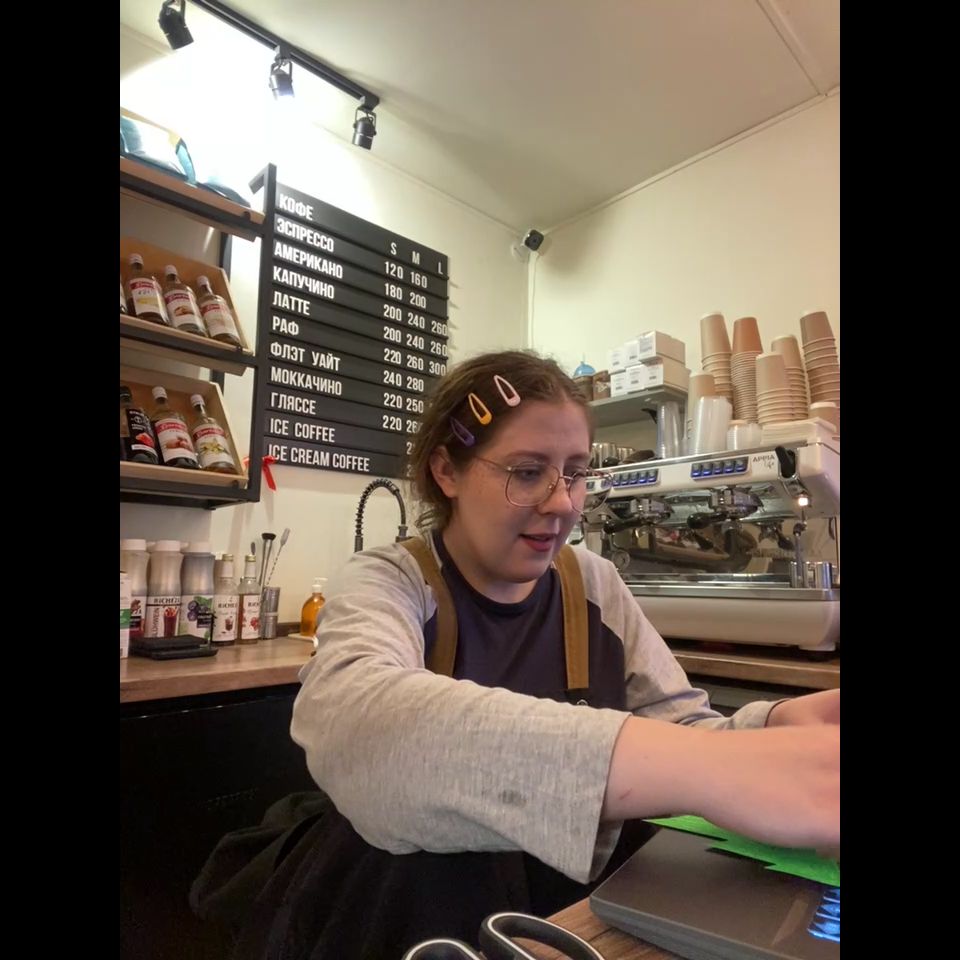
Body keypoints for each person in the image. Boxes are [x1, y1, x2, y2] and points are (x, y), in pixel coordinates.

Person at [229, 349, 839, 959]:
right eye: (527, 472)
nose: (563, 503)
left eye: (575, 473)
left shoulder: (593, 582)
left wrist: (768, 727)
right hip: (407, 913)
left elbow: (679, 730)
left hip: (558, 915)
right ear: (446, 471)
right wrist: (711, 767)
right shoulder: (391, 581)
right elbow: (358, 726)